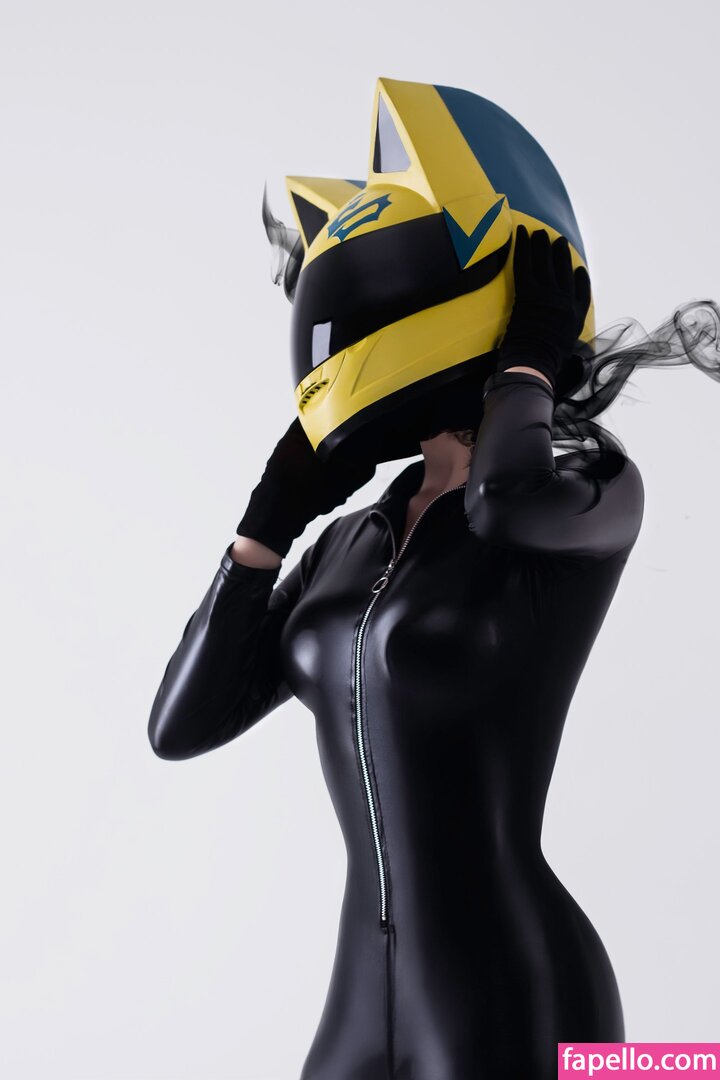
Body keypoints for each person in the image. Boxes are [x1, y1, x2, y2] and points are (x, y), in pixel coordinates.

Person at [148, 225, 647, 1079]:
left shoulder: (587, 494)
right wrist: (268, 526)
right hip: (361, 992)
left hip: (515, 986)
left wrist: (527, 363)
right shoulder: (350, 541)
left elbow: (501, 498)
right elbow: (180, 727)